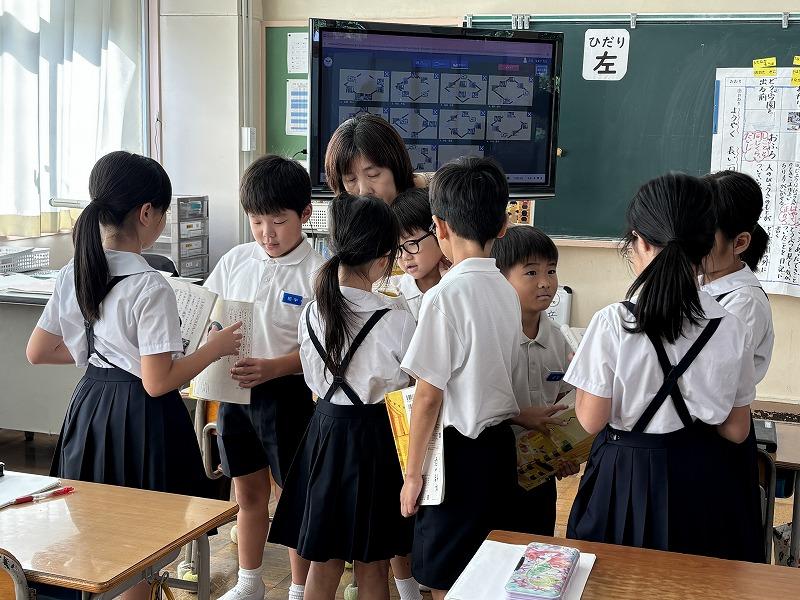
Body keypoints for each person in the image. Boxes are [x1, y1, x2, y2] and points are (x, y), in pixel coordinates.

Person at [26, 151, 242, 600]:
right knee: (140, 548)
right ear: (146, 213)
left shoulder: (73, 272)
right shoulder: (149, 285)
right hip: (140, 417)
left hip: (89, 409)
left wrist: (98, 351)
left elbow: (38, 351)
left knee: (97, 539)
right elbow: (158, 381)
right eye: (162, 213)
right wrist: (213, 348)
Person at [565, 172, 757, 560]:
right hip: (702, 483)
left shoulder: (612, 322)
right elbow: (737, 431)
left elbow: (590, 420)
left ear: (640, 241)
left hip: (624, 477)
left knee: (614, 578)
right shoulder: (731, 327)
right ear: (707, 243)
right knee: (692, 581)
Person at [399, 157, 564, 598]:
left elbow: (429, 396)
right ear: (504, 226)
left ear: (440, 227)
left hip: (455, 458)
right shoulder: (505, 292)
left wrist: (412, 475)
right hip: (498, 451)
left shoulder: (444, 296)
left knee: (446, 578)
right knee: (490, 572)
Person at [269, 193, 415, 600]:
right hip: (377, 439)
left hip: (325, 434)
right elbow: (412, 387)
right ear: (384, 261)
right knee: (374, 562)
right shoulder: (398, 320)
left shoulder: (312, 311)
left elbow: (312, 382)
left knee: (323, 559)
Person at [204, 155, 324, 600]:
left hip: (287, 393)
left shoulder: (319, 273)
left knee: (294, 497)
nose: (266, 234)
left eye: (278, 222)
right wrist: (211, 336)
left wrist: (274, 367)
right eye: (256, 222)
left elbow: (323, 351)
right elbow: (209, 314)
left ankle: (298, 588)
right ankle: (249, 581)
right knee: (247, 491)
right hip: (234, 391)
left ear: (305, 214)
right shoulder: (237, 259)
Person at [699, 169, 775, 563]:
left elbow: (710, 383)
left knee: (712, 558)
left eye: (703, 234)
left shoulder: (743, 302)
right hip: (698, 433)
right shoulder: (702, 283)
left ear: (740, 242)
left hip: (719, 437)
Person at [491, 225, 579, 536]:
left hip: (539, 470)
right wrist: (517, 415)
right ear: (501, 279)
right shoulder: (491, 336)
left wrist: (567, 452)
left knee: (535, 546)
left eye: (551, 271)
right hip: (492, 467)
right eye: (531, 273)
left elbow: (565, 402)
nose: (545, 282)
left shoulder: (558, 339)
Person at [385, 188, 444, 320]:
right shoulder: (392, 295)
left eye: (412, 243)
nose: (405, 256)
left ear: (438, 231)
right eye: (396, 248)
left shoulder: (461, 285)